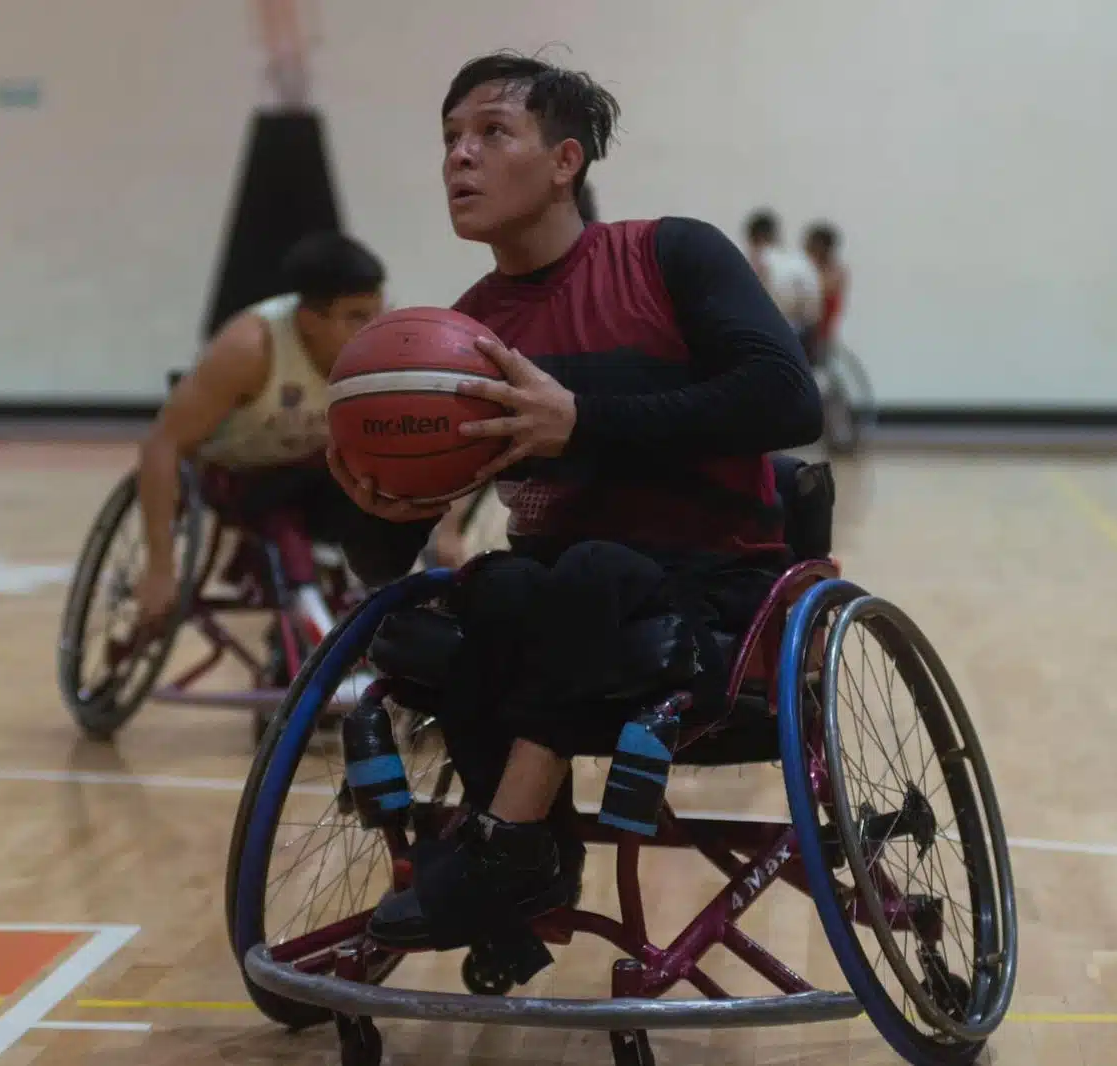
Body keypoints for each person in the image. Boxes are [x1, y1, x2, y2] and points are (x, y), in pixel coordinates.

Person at [328, 51, 823, 952]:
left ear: (565, 161)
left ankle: (499, 849)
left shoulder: (670, 254)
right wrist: (374, 505)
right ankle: (530, 857)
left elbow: (789, 400)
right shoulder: (463, 332)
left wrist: (583, 420)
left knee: (585, 573)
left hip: (715, 592)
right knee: (492, 589)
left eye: (491, 133)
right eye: (449, 139)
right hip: (558, 596)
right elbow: (376, 562)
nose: (459, 159)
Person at [133, 231, 387, 626]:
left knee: (386, 491)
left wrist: (445, 534)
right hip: (239, 474)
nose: (373, 329)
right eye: (356, 317)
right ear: (309, 320)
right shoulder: (248, 349)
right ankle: (311, 617)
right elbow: (162, 446)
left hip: (319, 471)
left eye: (377, 312)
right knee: (283, 522)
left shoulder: (387, 344)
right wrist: (160, 568)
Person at [743, 208, 823, 338]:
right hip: (798, 332)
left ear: (755, 237)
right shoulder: (802, 261)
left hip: (764, 331)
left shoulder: (758, 260)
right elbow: (813, 311)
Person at [802, 221, 849, 365]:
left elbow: (824, 292)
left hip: (820, 336)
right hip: (805, 332)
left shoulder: (835, 273)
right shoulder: (804, 269)